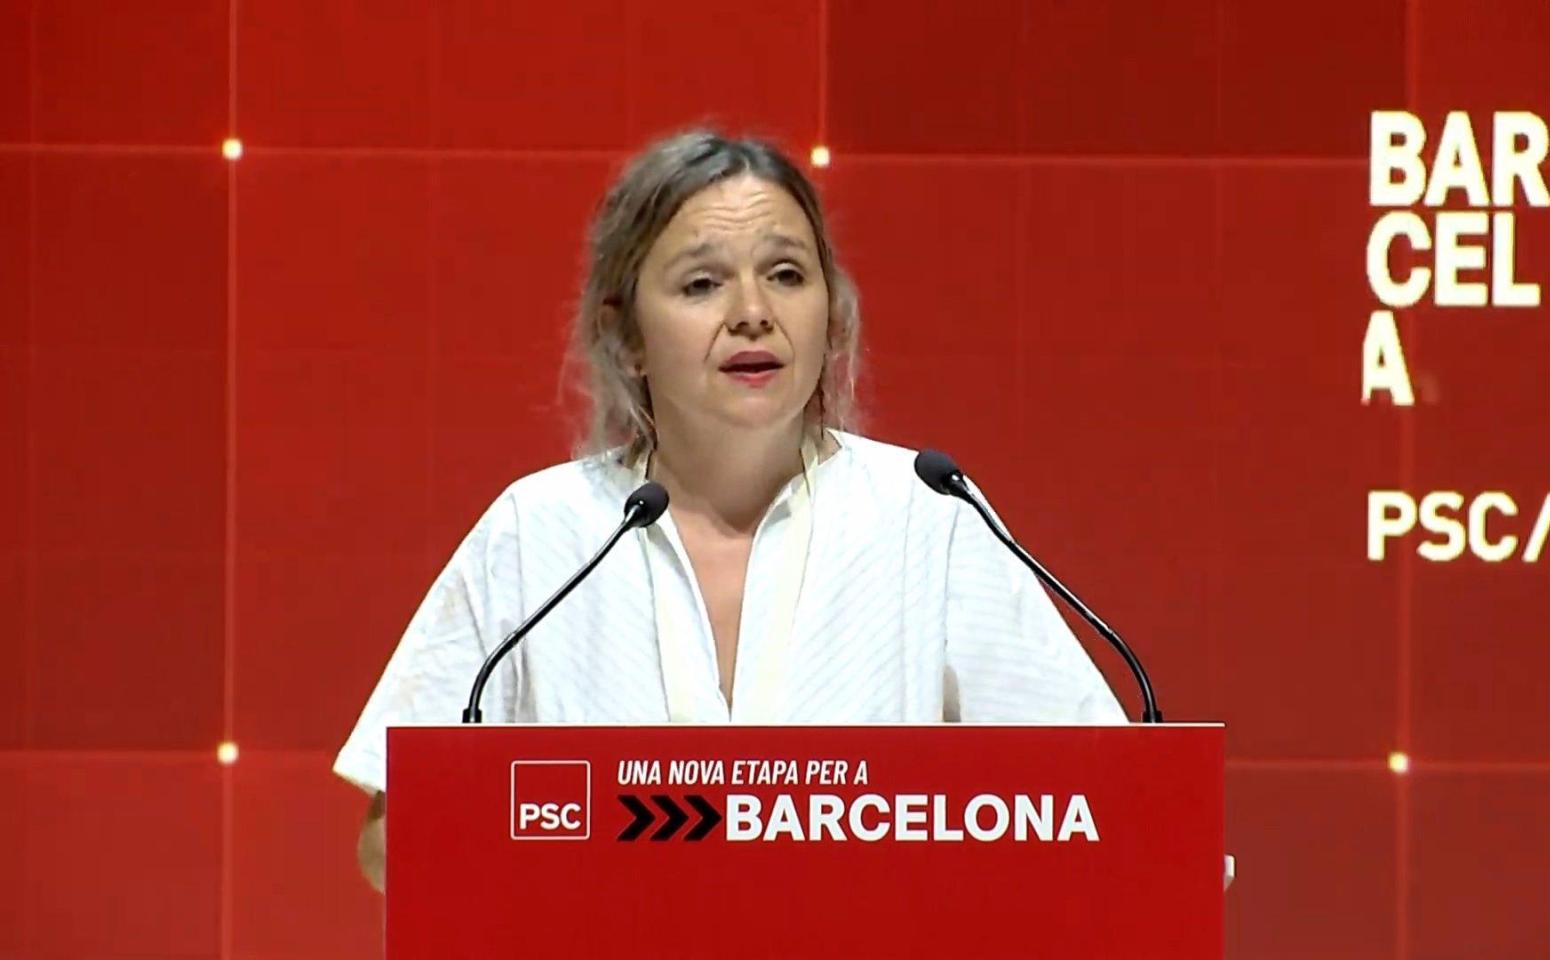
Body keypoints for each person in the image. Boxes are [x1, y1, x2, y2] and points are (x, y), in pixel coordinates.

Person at [333, 130, 1127, 892]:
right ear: (625, 335)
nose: (753, 311)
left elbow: (1096, 804)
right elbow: (392, 838)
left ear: (831, 315)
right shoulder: (540, 532)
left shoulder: (927, 515)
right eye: (702, 284)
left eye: (786, 274)